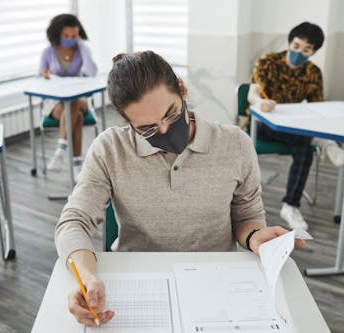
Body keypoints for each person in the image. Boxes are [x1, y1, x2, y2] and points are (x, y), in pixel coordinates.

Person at [55, 51, 306, 326]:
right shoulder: (110, 149)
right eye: (147, 129)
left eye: (171, 114)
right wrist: (87, 278)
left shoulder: (236, 144)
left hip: (215, 281)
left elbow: (246, 215)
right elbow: (73, 222)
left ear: (182, 90)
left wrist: (255, 236)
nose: (164, 130)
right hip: (139, 283)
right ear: (128, 124)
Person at [248, 21, 344, 230]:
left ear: (313, 52)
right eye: (295, 46)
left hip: (293, 128)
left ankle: (290, 206)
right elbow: (253, 92)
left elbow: (316, 108)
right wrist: (259, 102)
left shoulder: (313, 72)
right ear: (289, 42)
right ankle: (324, 143)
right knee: (302, 139)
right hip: (263, 124)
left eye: (306, 50)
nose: (298, 53)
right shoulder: (267, 62)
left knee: (304, 151)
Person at [38, 13, 98, 179]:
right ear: (57, 33)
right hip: (55, 102)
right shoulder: (48, 52)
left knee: (73, 102)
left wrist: (82, 45)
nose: (70, 39)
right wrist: (45, 75)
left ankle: (60, 151)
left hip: (80, 99)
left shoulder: (81, 50)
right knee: (75, 114)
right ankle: (77, 166)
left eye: (73, 36)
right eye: (66, 36)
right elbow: (39, 78)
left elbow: (92, 72)